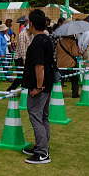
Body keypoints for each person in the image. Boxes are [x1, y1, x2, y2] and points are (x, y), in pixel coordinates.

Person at [21, 9, 56, 164]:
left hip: (40, 86)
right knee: (43, 116)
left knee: (35, 115)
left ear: (32, 23)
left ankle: (42, 152)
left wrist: (38, 87)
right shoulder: (47, 39)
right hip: (48, 83)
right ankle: (42, 146)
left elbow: (39, 66)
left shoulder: (37, 42)